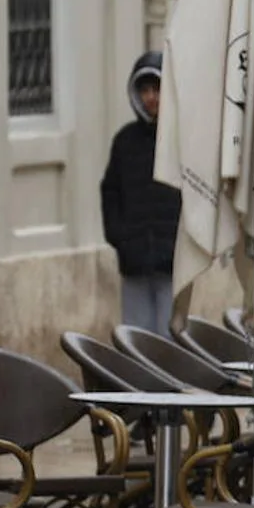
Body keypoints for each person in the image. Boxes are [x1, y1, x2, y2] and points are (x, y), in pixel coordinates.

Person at [100, 51, 180, 334]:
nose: (151, 98)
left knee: (170, 341)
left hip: (173, 264)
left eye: (156, 89)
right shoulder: (125, 142)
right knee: (136, 339)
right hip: (134, 262)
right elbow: (110, 192)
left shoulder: (181, 139)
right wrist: (120, 237)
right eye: (144, 90)